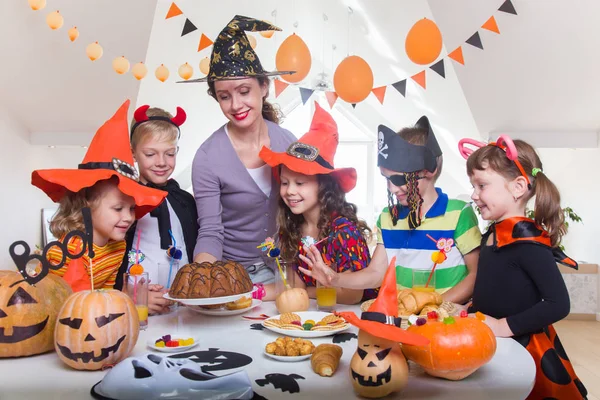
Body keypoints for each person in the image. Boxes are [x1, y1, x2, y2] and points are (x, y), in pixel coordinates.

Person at [300, 117, 480, 304]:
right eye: (387, 179)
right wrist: (334, 278)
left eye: (400, 180)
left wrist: (434, 308)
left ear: (428, 171)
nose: (392, 188)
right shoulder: (388, 218)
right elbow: (376, 274)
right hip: (402, 319)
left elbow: (475, 275)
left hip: (445, 320)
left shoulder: (459, 214)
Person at [459, 135, 587, 399]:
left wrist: (503, 327)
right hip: (492, 342)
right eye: (473, 185)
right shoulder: (492, 234)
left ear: (518, 187)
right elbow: (497, 287)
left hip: (523, 348)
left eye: (481, 185)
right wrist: (470, 308)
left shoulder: (529, 243)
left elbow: (558, 303)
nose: (474, 194)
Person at [186, 15, 296, 301]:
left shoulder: (288, 143)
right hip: (234, 277)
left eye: (244, 91)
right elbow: (210, 231)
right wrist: (206, 279)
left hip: (286, 274)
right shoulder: (208, 157)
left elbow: (305, 213)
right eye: (224, 97)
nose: (235, 105)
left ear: (264, 87)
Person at [32, 100, 167, 291]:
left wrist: (134, 295)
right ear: (86, 206)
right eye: (118, 208)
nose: (128, 217)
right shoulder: (70, 250)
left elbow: (105, 296)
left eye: (131, 208)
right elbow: (57, 303)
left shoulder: (118, 248)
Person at [259, 102, 376, 304]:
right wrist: (250, 292)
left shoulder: (344, 232)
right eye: (285, 182)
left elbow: (352, 295)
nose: (290, 191)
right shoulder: (291, 228)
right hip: (314, 314)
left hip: (352, 318)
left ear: (323, 186)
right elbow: (296, 286)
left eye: (300, 183)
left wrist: (310, 290)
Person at [113, 105, 198, 315]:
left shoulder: (185, 200)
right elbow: (106, 264)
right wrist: (131, 296)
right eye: (150, 154)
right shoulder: (121, 200)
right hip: (135, 311)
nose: (161, 162)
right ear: (133, 152)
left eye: (169, 153)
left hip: (184, 310)